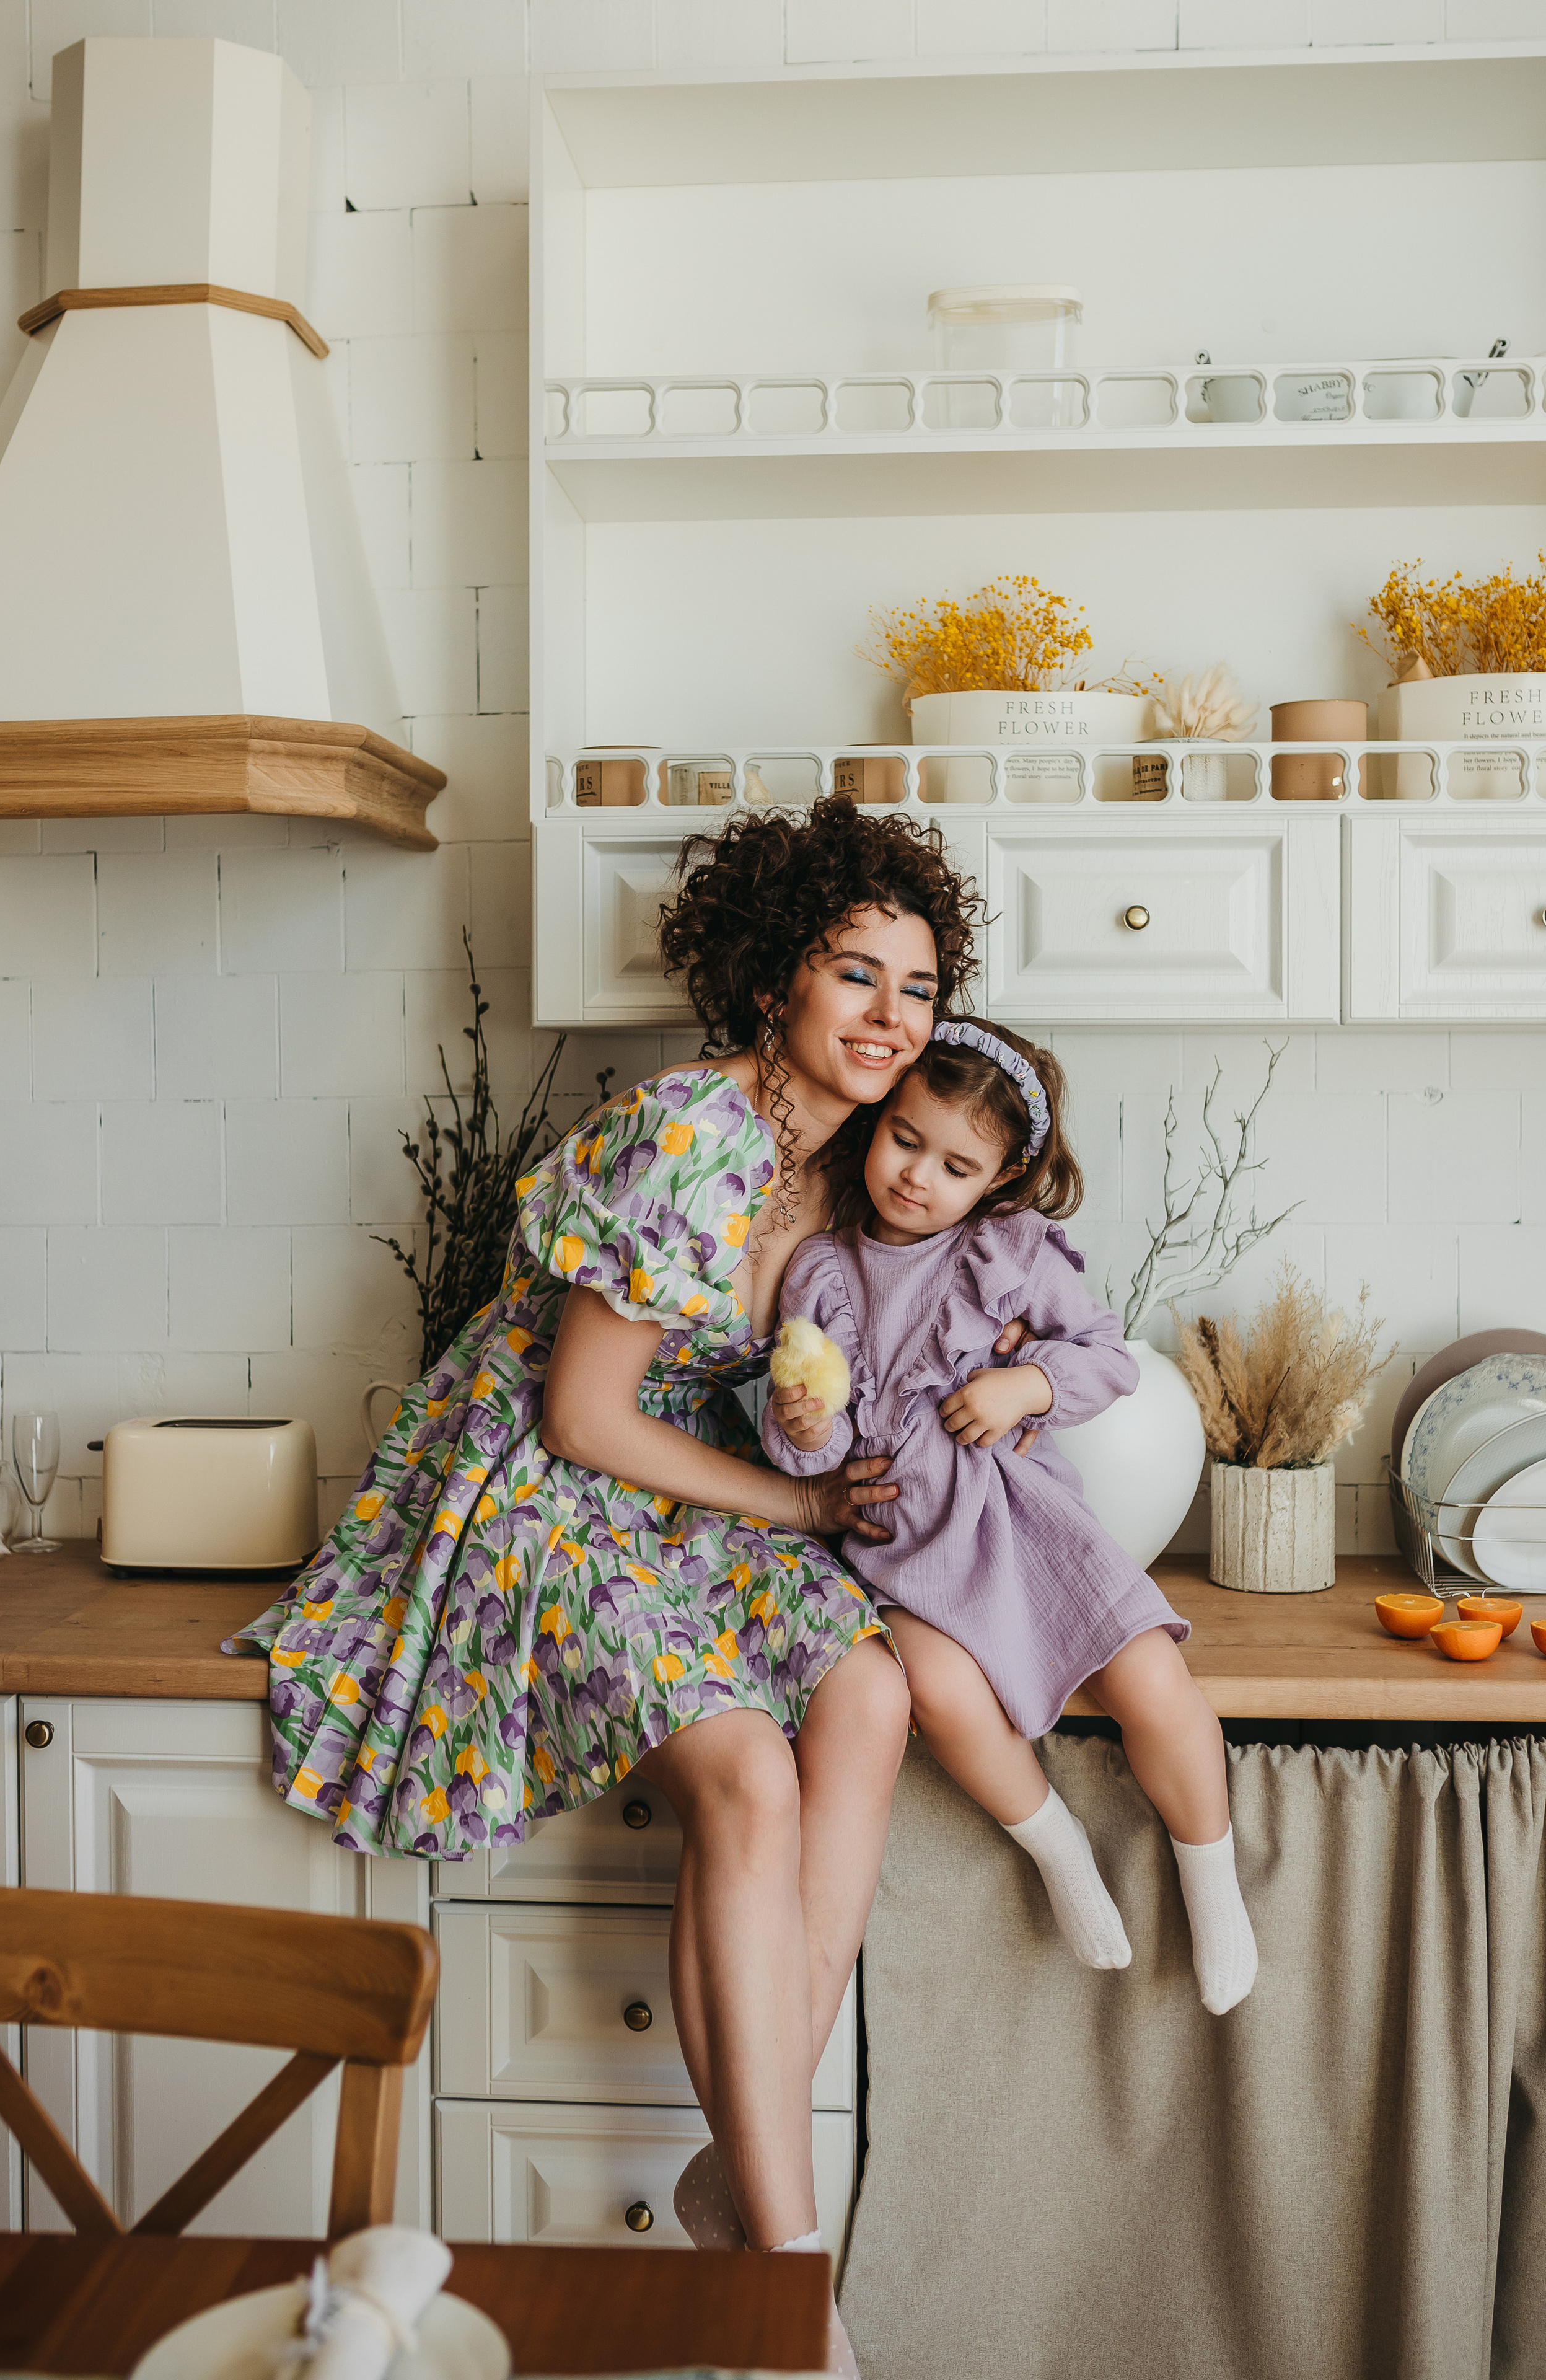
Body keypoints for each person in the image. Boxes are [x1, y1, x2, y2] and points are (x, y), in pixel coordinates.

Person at [234, 796, 1009, 2370]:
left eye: (915, 987)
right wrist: (796, 1499)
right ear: (773, 980)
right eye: (853, 976)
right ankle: (787, 2282)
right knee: (742, 1774)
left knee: (864, 1689)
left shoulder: (862, 1152)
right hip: (546, 1490)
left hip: (691, 1496)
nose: (887, 1019)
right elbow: (582, 1417)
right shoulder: (687, 1132)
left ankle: (742, 2167)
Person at [762, 1018, 1258, 2017]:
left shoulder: (1010, 1253)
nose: (917, 1177)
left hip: (1025, 1529)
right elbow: (809, 1454)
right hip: (900, 1554)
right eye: (906, 1140)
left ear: (995, 1179)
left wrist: (1026, 1387)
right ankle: (1058, 1847)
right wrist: (801, 1422)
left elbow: (1112, 1359)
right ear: (877, 1124)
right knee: (939, 1696)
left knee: (1153, 1677)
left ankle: (1215, 1884)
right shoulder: (823, 1270)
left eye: (956, 1164)